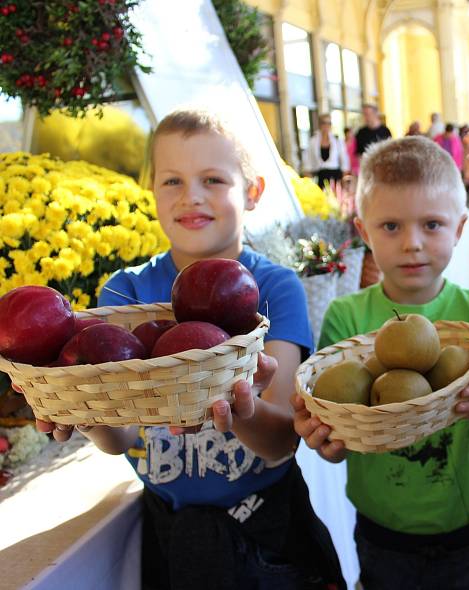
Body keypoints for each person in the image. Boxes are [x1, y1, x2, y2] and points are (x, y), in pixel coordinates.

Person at [36, 110, 345, 590]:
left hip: (267, 527)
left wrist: (241, 410)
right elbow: (122, 438)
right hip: (173, 532)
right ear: (152, 191)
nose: (191, 196)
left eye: (213, 179)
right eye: (172, 181)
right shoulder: (127, 294)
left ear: (253, 192)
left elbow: (283, 441)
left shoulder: (273, 288)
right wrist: (89, 415)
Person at [292, 136, 469, 590]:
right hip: (380, 536)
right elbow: (337, 442)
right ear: (364, 231)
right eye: (391, 227)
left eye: (432, 224)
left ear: (460, 228)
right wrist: (325, 439)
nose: (412, 243)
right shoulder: (346, 318)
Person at [303, 113, 350, 188]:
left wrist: (344, 179)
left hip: (335, 177)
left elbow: (344, 160)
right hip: (320, 177)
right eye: (324, 123)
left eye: (329, 123)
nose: (326, 126)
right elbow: (308, 161)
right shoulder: (313, 141)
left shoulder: (337, 141)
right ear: (319, 124)